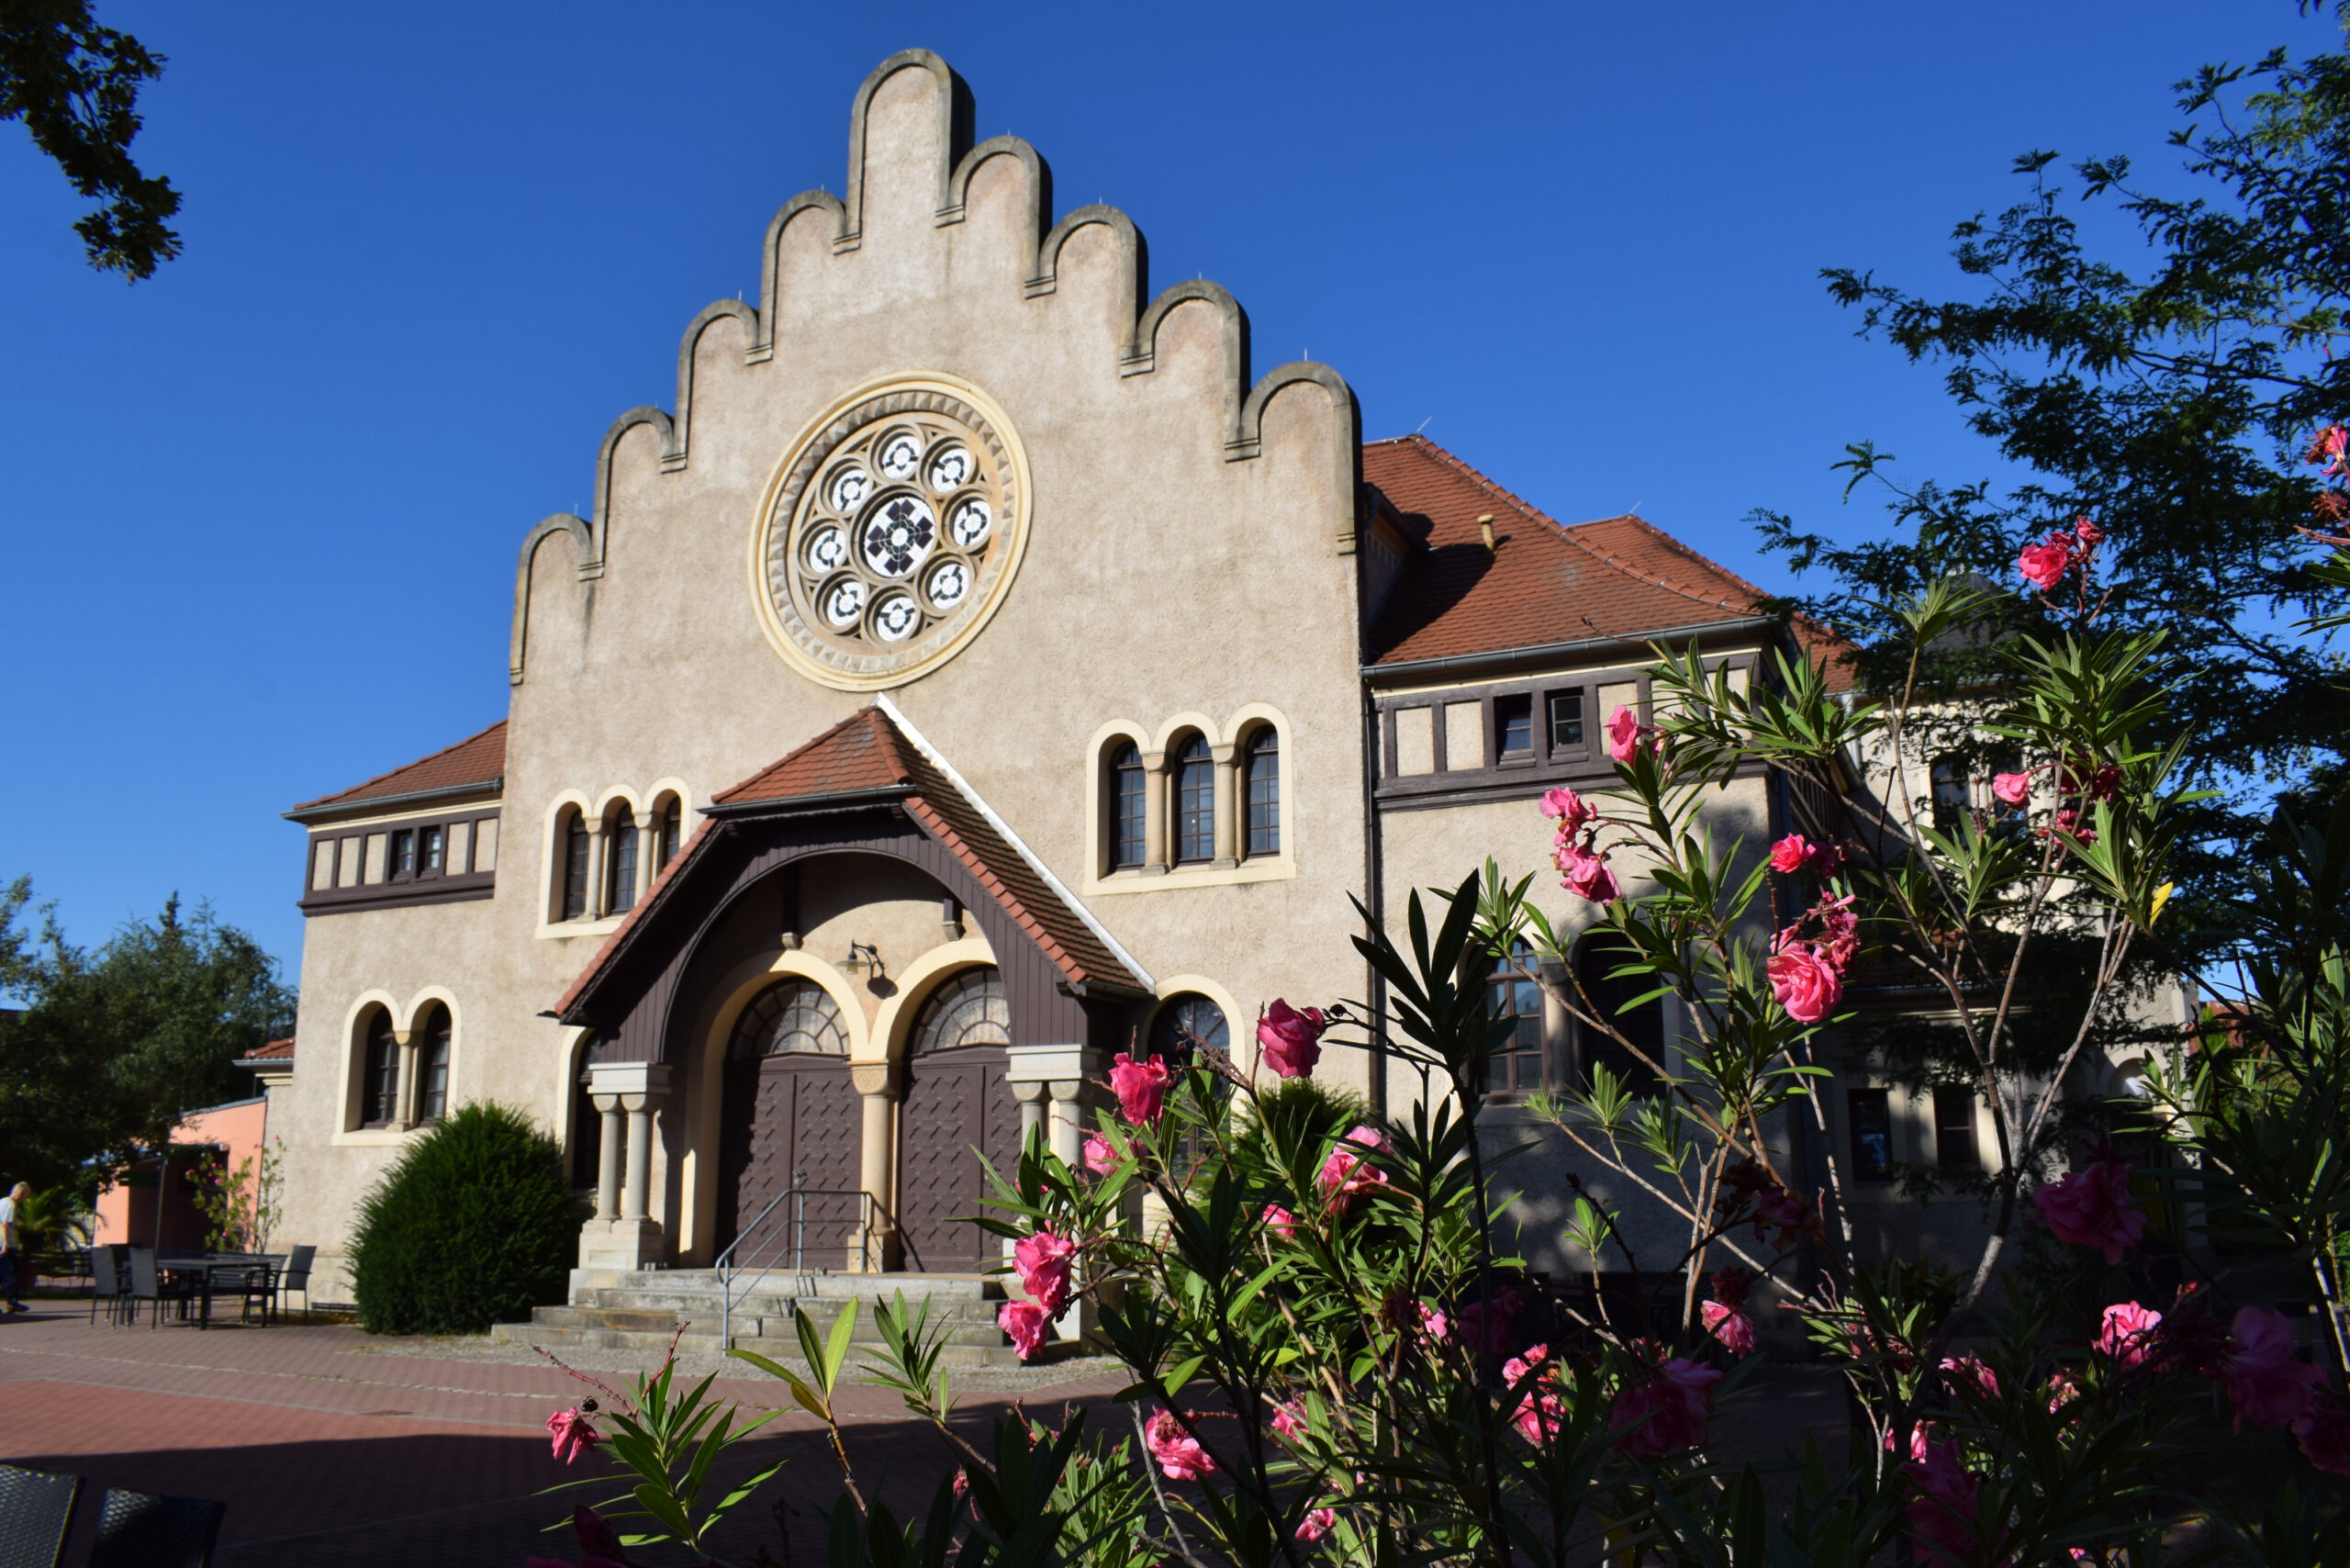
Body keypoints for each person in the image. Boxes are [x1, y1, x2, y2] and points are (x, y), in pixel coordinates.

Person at [0, 1182, 26, 1314]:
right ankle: (12, 1302)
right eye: (25, 1195)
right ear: (20, 1193)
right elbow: (5, 1225)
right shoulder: (10, 1205)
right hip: (6, 1244)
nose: (25, 1198)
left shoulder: (2, 1201)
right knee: (9, 1275)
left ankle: (11, 1301)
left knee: (3, 1275)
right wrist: (5, 1244)